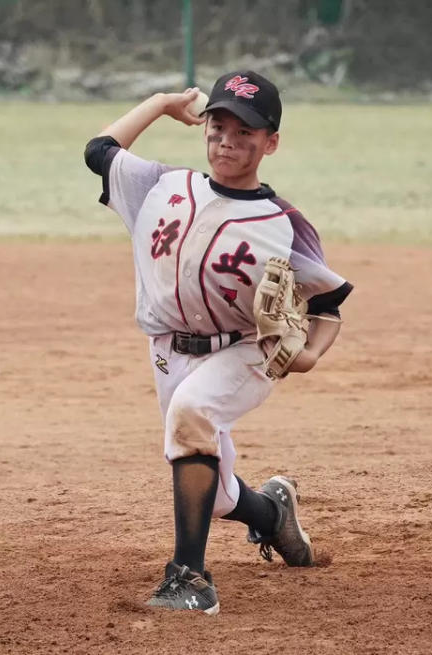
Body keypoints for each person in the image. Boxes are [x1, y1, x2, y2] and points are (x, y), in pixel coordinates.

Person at [83, 70, 353, 615]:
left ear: (270, 143)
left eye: (245, 131)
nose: (227, 139)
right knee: (215, 488)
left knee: (192, 415)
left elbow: (327, 305)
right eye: (218, 125)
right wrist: (161, 103)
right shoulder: (163, 187)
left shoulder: (283, 224)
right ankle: (271, 514)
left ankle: (190, 580)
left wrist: (308, 356)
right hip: (167, 350)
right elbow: (99, 150)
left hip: (246, 351)